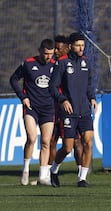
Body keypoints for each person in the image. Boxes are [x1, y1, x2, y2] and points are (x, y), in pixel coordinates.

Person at [49, 32, 97, 187]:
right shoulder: (62, 63)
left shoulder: (86, 62)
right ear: (71, 46)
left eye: (83, 45)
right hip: (69, 112)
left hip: (84, 109)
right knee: (67, 148)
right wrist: (62, 100)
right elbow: (53, 87)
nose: (81, 48)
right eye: (78, 45)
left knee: (88, 142)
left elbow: (89, 85)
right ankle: (54, 170)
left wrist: (92, 98)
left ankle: (82, 178)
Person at [9, 39, 56, 186]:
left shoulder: (56, 66)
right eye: (46, 53)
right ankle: (26, 170)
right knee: (32, 137)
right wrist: (23, 97)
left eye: (51, 54)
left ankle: (42, 176)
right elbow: (13, 79)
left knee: (46, 142)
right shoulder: (28, 63)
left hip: (48, 108)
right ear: (40, 51)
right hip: (31, 107)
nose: (48, 57)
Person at [48, 35, 84, 181]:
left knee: (77, 142)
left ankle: (81, 175)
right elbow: (52, 87)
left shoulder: (74, 63)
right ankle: (48, 173)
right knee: (51, 141)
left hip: (68, 110)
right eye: (54, 48)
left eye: (58, 48)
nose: (55, 51)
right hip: (53, 109)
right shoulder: (53, 64)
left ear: (66, 47)